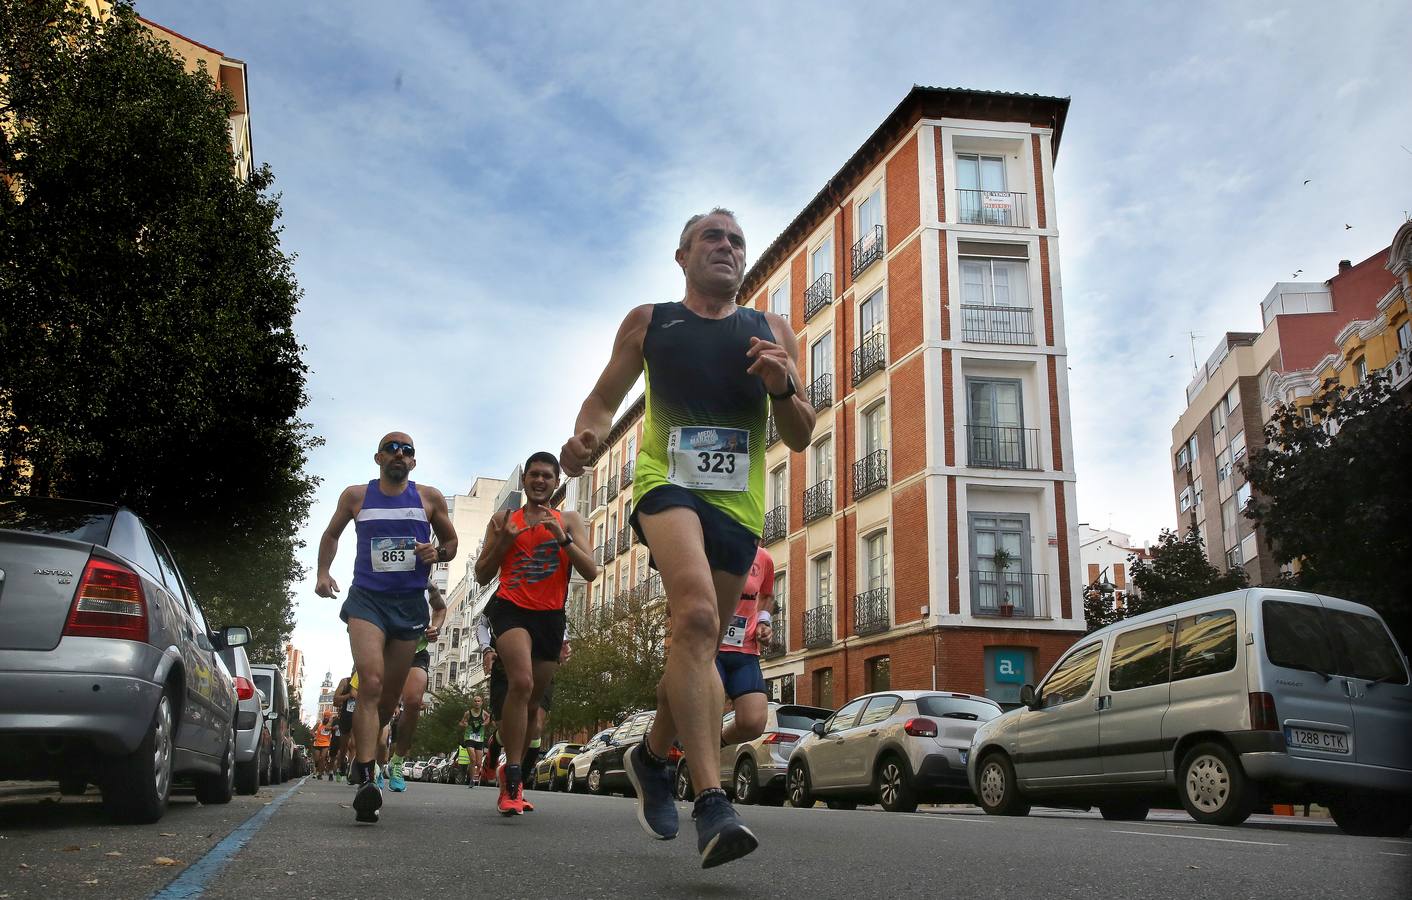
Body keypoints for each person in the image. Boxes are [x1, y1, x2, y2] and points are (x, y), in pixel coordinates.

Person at [560, 209, 814, 867]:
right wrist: (587, 437)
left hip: (738, 507)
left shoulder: (771, 329)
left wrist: (781, 384)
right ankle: (711, 801)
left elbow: (801, 429)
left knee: (699, 642)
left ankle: (650, 757)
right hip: (665, 487)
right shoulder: (650, 322)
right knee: (697, 615)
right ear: (682, 256)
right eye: (713, 237)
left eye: (737, 241)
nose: (727, 248)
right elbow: (601, 400)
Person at [315, 432, 459, 823]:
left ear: (413, 462)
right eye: (392, 448)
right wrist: (323, 572)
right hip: (367, 601)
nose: (399, 453)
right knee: (371, 683)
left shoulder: (429, 498)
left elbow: (450, 542)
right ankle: (366, 777)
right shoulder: (355, 496)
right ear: (378, 457)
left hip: (410, 605)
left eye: (407, 450)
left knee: (387, 700)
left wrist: (438, 553)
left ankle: (366, 761)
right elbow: (331, 534)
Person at [473, 452, 596, 815]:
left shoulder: (569, 519)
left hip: (550, 618)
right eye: (534, 475)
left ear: (556, 482)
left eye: (547, 476)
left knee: (532, 709)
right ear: (525, 480)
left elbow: (590, 571)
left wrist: (563, 539)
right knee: (521, 683)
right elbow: (482, 575)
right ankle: (512, 777)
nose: (540, 481)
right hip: (510, 608)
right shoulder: (502, 519)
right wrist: (503, 543)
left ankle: (512, 772)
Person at [386, 580, 447, 792]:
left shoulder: (426, 584)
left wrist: (435, 628)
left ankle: (397, 762)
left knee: (413, 701)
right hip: (385, 651)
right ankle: (372, 765)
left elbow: (439, 608)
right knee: (382, 712)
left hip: (416, 652)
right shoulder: (382, 576)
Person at [718, 547, 775, 747]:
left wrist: (764, 623)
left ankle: (717, 743)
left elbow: (767, 596)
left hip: (745, 649)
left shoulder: (764, 558)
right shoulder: (711, 546)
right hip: (709, 648)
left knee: (753, 722)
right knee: (708, 710)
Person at [458, 696, 490, 787]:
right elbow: (461, 722)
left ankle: (474, 776)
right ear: (473, 702)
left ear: (481, 702)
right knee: (473, 759)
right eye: (475, 701)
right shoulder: (468, 713)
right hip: (469, 738)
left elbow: (489, 718)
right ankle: (471, 780)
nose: (477, 702)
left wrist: (484, 723)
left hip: (479, 739)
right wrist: (465, 724)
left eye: (478, 701)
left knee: (479, 763)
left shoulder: (483, 713)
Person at [332, 671, 356, 783]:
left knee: (353, 745)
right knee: (344, 748)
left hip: (359, 715)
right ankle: (342, 764)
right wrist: (349, 696)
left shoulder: (367, 681)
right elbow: (335, 700)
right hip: (346, 716)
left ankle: (351, 772)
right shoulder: (345, 682)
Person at [313, 713, 333, 779]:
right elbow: (312, 731)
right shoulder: (319, 724)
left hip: (326, 744)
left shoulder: (331, 726)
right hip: (317, 743)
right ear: (323, 717)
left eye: (328, 717)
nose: (326, 718)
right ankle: (316, 768)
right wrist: (314, 736)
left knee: (323, 758)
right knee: (317, 759)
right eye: (325, 717)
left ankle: (320, 773)